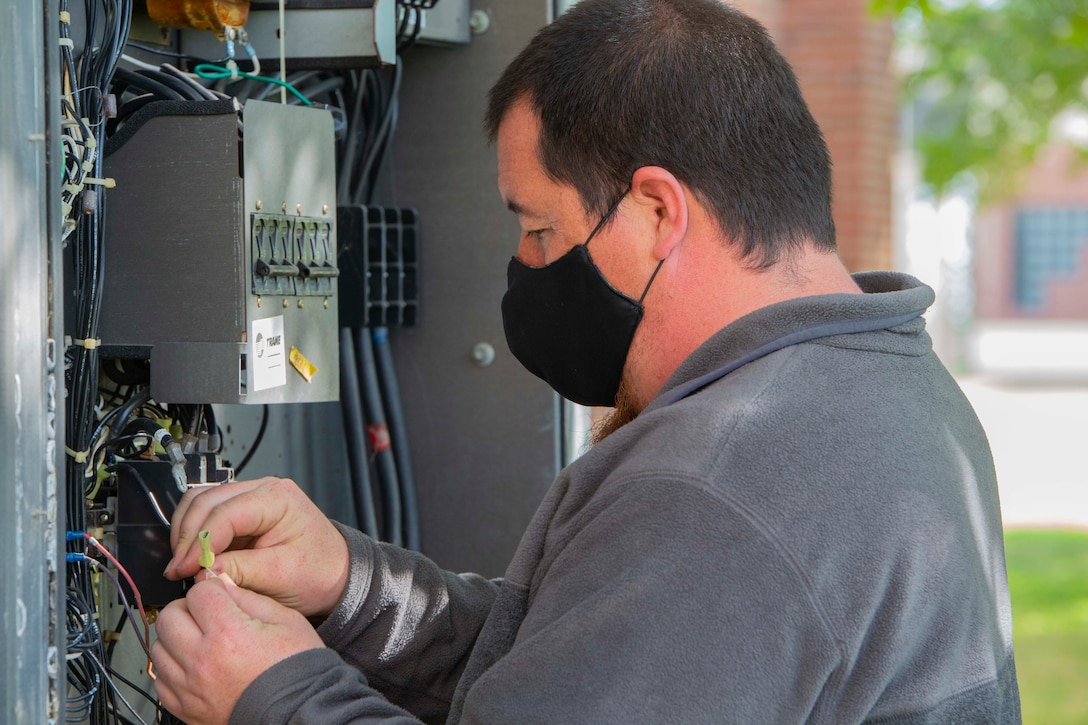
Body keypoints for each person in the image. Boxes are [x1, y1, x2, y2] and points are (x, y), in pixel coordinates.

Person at [151, 0, 1021, 722]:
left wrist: (273, 694)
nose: (528, 268)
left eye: (541, 231)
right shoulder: (890, 385)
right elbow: (594, 667)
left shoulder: (719, 486)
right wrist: (352, 586)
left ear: (654, 212)